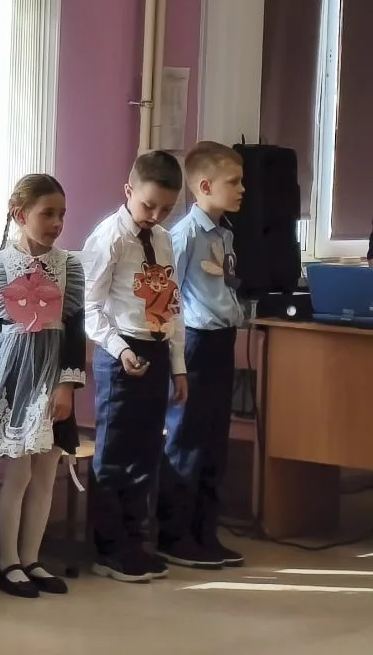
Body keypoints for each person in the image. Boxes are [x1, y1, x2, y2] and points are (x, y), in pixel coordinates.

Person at [0, 174, 86, 598]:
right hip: (14, 376)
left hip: (52, 376)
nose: (56, 223)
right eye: (47, 214)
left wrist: (67, 385)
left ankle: (32, 558)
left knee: (45, 475)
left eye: (61, 215)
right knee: (17, 475)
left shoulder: (70, 267)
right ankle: (8, 563)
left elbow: (74, 328)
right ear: (20, 215)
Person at [82, 150, 188, 583]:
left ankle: (134, 541)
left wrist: (178, 365)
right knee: (115, 453)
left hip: (156, 348)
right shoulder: (110, 238)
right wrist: (119, 349)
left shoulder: (163, 239)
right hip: (120, 353)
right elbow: (89, 307)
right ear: (128, 191)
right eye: (149, 205)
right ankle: (108, 549)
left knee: (146, 451)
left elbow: (172, 305)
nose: (156, 216)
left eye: (167, 209)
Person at [157, 142, 246, 569]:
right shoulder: (184, 235)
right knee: (187, 439)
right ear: (205, 186)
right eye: (234, 182)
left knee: (214, 441)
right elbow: (168, 297)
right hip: (194, 343)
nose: (242, 189)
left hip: (222, 342)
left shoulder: (225, 234)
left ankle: (204, 532)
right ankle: (174, 535)